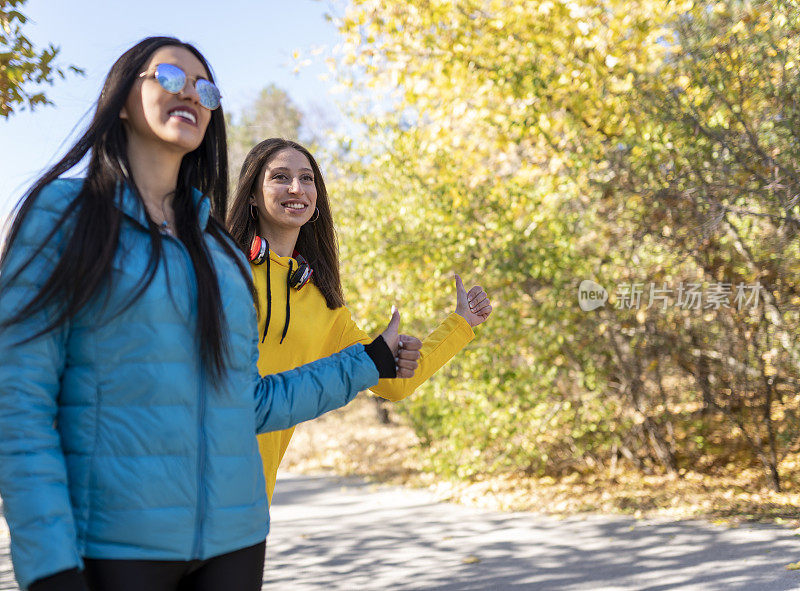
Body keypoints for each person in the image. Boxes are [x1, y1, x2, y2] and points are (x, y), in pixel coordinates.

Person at [0, 37, 422, 591]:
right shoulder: (64, 216)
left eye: (206, 88)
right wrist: (49, 565)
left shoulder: (219, 254)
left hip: (236, 543)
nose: (192, 95)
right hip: (114, 543)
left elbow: (250, 402)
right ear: (123, 98)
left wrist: (370, 360)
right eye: (170, 78)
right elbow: (19, 405)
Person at [227, 138, 493, 504]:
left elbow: (393, 385)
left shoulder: (324, 306)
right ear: (253, 195)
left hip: (248, 503)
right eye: (280, 177)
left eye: (307, 179)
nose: (296, 188)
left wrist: (462, 323)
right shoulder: (219, 270)